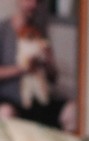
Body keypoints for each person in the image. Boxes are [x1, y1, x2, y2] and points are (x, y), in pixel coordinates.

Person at [0, 0, 71, 129]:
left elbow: (53, 78)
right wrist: (23, 69)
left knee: (71, 111)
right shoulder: (3, 29)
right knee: (6, 112)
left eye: (37, 2)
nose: (33, 5)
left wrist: (48, 62)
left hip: (39, 99)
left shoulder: (40, 31)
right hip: (11, 99)